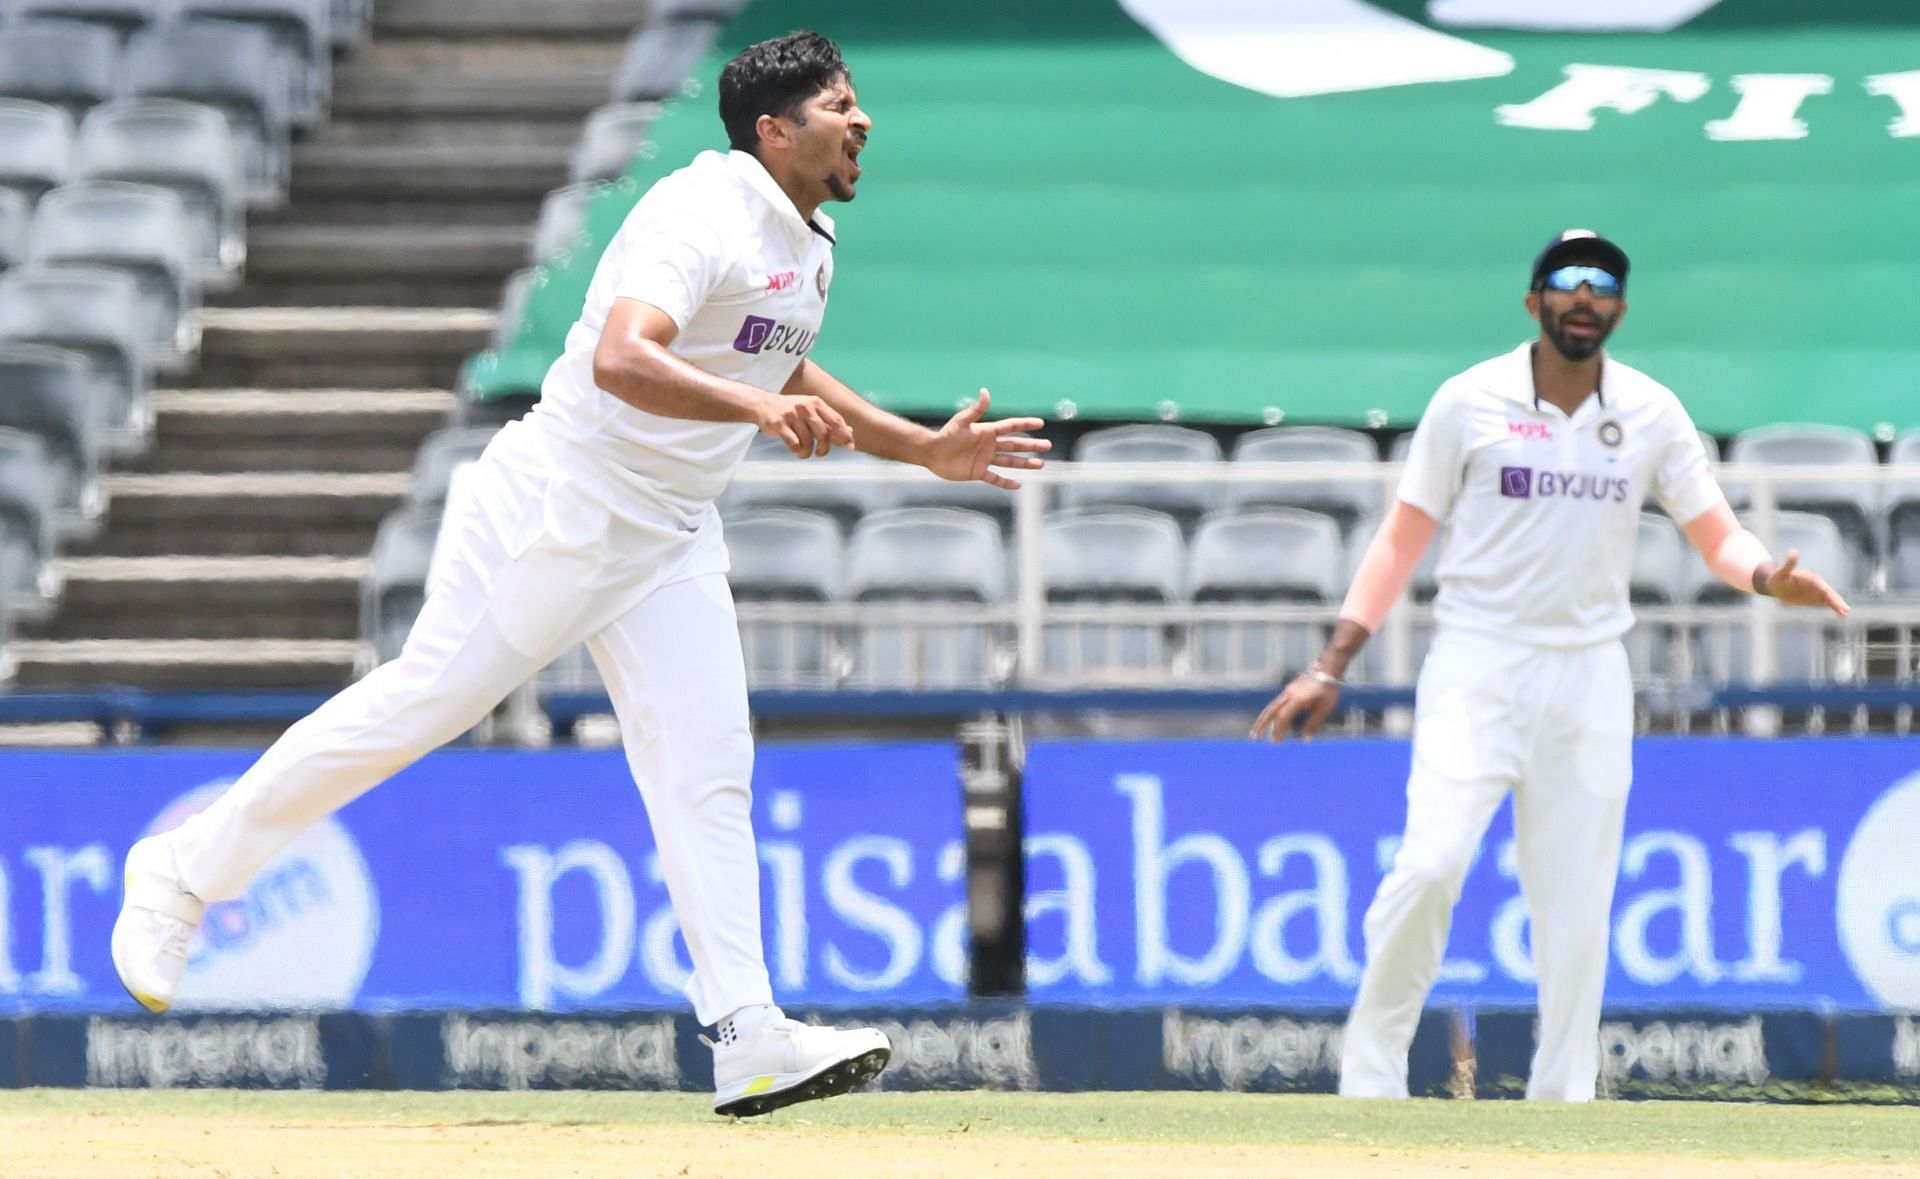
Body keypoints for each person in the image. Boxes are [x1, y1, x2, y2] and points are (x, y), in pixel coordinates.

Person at [111, 30, 1049, 1118]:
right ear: (774, 130)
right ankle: (183, 873)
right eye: (841, 103)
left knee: (707, 764)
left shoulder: (810, 236)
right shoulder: (697, 211)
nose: (863, 120)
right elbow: (623, 354)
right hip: (562, 504)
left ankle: (747, 1032)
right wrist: (755, 411)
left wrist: (919, 447)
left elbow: (774, 357)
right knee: (421, 705)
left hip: (670, 531)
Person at [1251, 229, 1849, 1102]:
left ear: (1620, 308)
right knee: (1430, 864)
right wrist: (1331, 663)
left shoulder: (1650, 410)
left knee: (1576, 905)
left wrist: (1765, 576)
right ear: (1533, 300)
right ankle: (1370, 1080)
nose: (1585, 295)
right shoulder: (1469, 400)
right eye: (1566, 281)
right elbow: (1401, 538)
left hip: (1589, 672)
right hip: (1477, 662)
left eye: (1603, 283)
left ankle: (1563, 1103)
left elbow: (1715, 532)